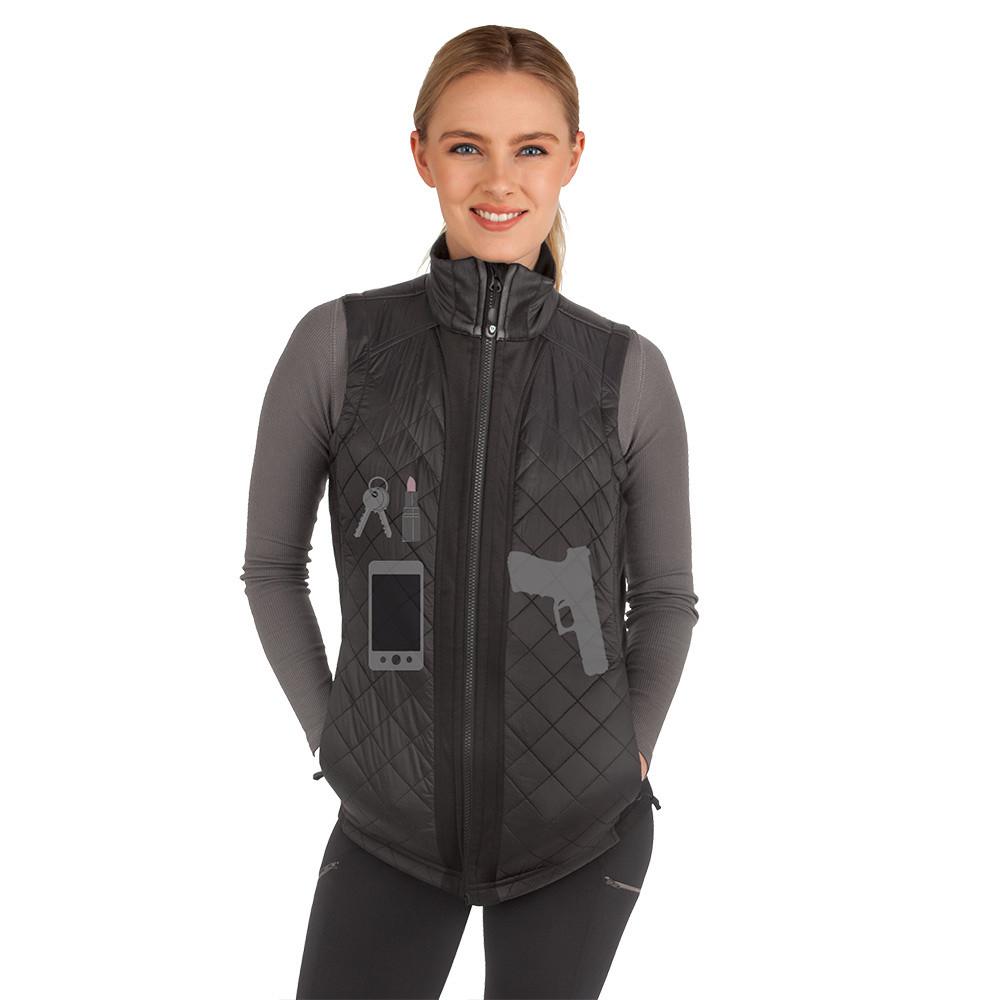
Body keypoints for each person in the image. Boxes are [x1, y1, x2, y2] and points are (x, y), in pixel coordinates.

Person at [240, 24, 699, 1000]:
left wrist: (626, 753)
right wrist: (334, 740)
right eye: (465, 146)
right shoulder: (341, 347)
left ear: (573, 157)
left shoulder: (625, 372)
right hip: (390, 830)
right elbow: (272, 569)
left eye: (530, 147)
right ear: (421, 155)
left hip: (581, 833)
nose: (499, 180)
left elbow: (664, 597)